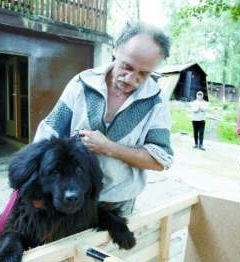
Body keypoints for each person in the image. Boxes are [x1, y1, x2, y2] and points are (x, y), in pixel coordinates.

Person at [33, 22, 173, 216]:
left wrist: (108, 147)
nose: (131, 79)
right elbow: (47, 134)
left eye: (144, 73)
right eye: (127, 67)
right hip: (72, 196)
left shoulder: (156, 101)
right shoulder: (82, 83)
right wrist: (36, 189)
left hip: (117, 203)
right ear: (116, 50)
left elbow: (159, 160)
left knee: (107, 247)